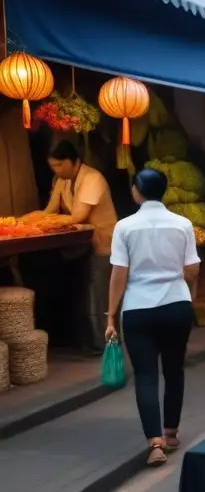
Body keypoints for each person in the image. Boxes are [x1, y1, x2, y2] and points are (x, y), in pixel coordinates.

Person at [105, 169, 200, 467]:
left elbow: (119, 274)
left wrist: (110, 316)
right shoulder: (183, 224)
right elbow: (193, 269)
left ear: (136, 191)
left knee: (145, 376)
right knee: (174, 371)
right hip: (177, 305)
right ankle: (171, 433)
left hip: (138, 308)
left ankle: (155, 444)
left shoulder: (125, 227)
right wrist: (186, 293)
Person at [41, 142, 118, 352]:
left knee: (98, 295)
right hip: (81, 245)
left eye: (59, 164)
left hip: (104, 244)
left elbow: (78, 216)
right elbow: (49, 210)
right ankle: (84, 341)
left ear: (74, 161)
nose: (55, 170)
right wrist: (26, 221)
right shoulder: (62, 180)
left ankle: (105, 344)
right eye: (53, 166)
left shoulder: (92, 178)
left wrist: (46, 222)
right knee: (80, 292)